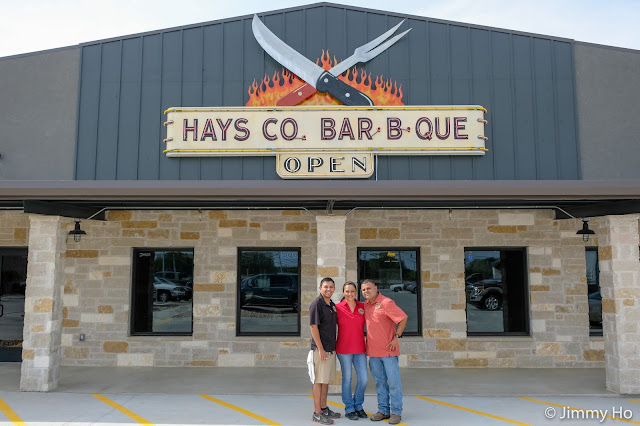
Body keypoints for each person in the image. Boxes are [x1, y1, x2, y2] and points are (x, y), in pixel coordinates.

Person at [361, 279, 408, 425]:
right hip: (373, 353)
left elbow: (403, 318)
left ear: (376, 288)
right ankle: (383, 410)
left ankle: (396, 412)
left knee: (393, 383)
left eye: (369, 288)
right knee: (380, 384)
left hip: (388, 352)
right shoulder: (365, 305)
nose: (366, 291)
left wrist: (397, 338)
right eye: (363, 290)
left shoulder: (386, 302)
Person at [309, 277, 342, 424]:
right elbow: (313, 327)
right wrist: (321, 349)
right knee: (318, 381)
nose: (329, 289)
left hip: (330, 348)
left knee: (325, 380)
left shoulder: (331, 304)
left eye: (331, 287)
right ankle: (317, 413)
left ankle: (323, 408)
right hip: (320, 350)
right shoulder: (317, 304)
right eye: (326, 287)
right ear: (320, 288)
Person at [336, 281, 368, 420]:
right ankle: (349, 408)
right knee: (347, 378)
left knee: (364, 379)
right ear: (343, 292)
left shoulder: (363, 306)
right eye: (347, 291)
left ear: (356, 292)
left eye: (352, 291)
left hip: (360, 348)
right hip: (343, 349)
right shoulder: (337, 308)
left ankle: (358, 405)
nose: (350, 294)